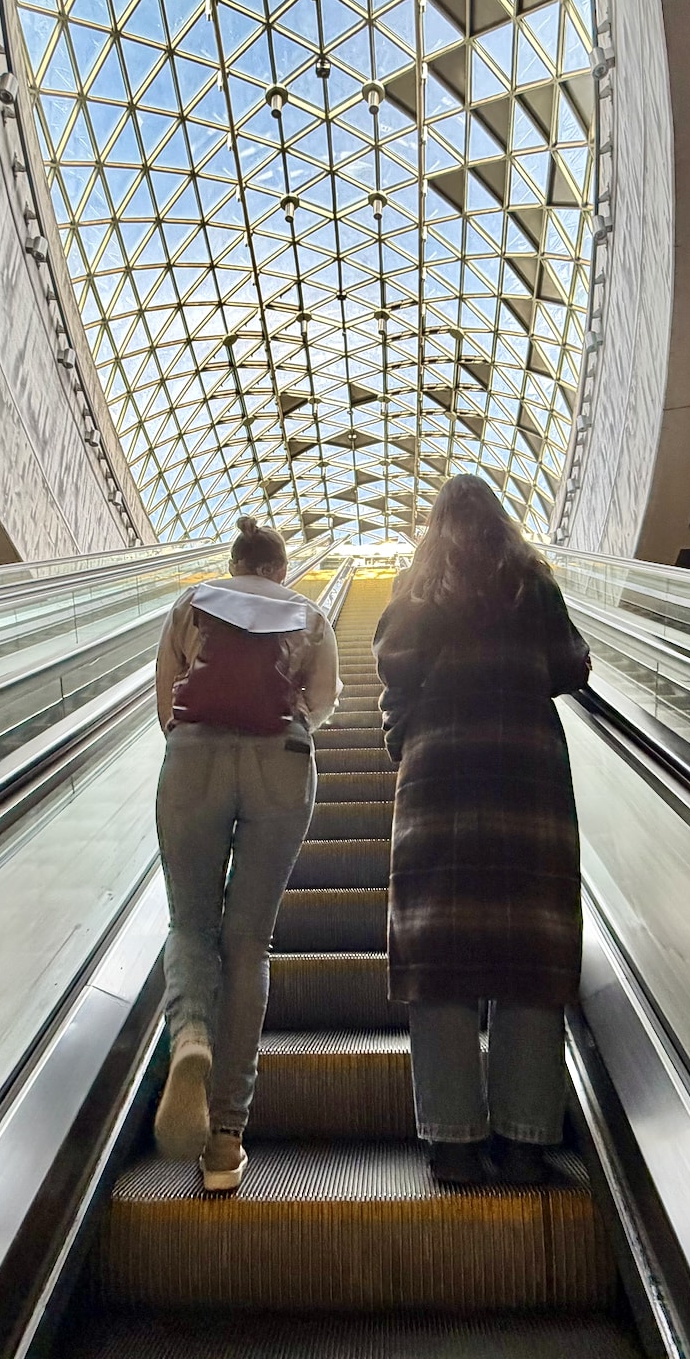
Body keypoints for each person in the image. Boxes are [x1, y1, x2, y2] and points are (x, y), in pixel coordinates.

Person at [374, 474, 591, 1186]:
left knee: (439, 954)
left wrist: (400, 738)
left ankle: (455, 1143)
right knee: (533, 950)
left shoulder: (415, 591)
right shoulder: (534, 586)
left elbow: (393, 670)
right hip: (526, 778)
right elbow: (572, 666)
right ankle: (526, 1139)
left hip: (441, 781)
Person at [152, 516, 339, 1192]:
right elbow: (320, 703)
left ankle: (192, 1035)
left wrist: (197, 748)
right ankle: (225, 1141)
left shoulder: (192, 602)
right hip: (283, 765)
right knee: (249, 943)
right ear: (281, 569)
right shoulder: (310, 614)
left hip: (194, 757)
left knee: (190, 925)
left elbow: (167, 698)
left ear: (233, 562)